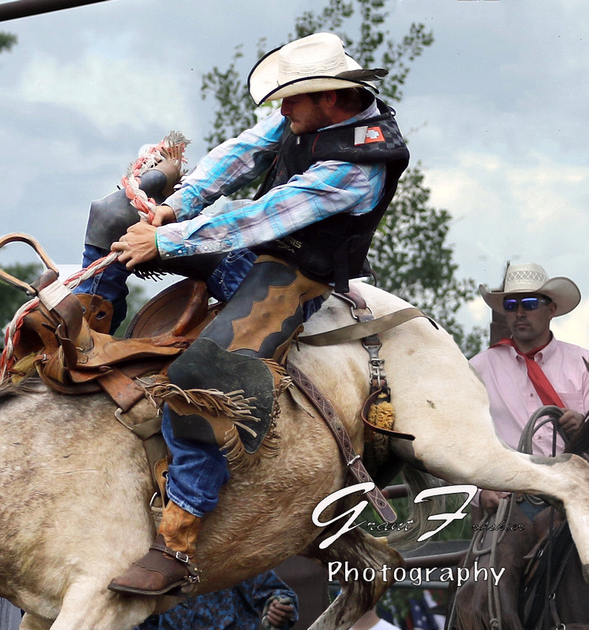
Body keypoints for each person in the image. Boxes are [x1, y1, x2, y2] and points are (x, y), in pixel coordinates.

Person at [74, 32, 409, 596]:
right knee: (111, 216)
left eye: (291, 99)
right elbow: (243, 152)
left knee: (201, 380)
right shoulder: (310, 118)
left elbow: (265, 217)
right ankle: (83, 338)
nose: (282, 109)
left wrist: (167, 241)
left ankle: (177, 542)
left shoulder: (359, 166)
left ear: (329, 97)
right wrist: (175, 206)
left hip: (297, 276)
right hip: (245, 244)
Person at [470, 262, 589, 519]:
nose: (520, 312)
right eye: (511, 306)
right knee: (504, 559)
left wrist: (583, 430)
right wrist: (479, 493)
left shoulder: (582, 364)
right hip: (512, 499)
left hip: (578, 491)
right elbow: (458, 441)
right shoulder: (478, 369)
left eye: (530, 303)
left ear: (551, 309)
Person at [133, 570, 298, 629]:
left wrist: (279, 609)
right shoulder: (155, 566)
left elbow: (277, 595)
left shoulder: (232, 559)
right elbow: (134, 618)